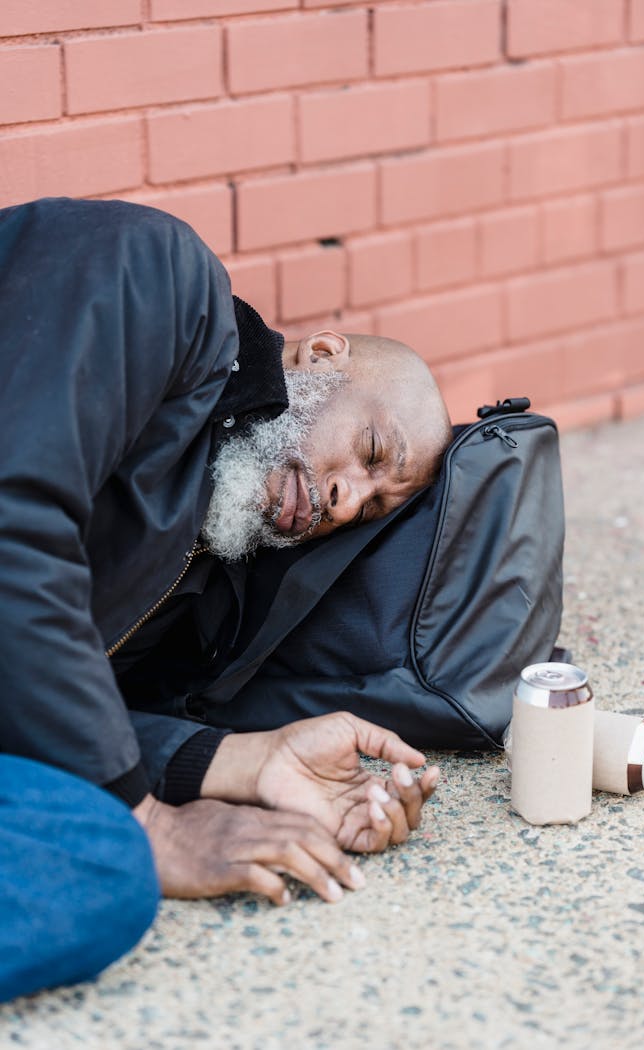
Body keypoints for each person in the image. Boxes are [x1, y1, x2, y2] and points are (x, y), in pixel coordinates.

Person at [0, 197, 452, 998]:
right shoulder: (159, 279)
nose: (348, 501)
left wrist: (243, 760)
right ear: (321, 356)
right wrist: (152, 821)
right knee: (117, 862)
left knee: (96, 876)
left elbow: (38, 700)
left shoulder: (202, 573)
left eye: (375, 506)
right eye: (371, 451)